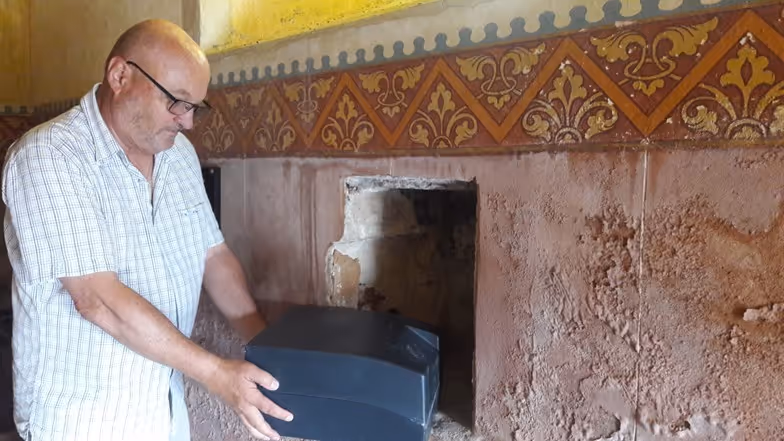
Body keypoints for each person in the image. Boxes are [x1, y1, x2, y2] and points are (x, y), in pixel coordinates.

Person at [2, 19, 293, 441]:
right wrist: (215, 373)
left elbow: (212, 255)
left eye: (195, 107)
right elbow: (97, 299)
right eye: (176, 101)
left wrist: (267, 349)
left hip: (162, 402)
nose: (188, 122)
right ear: (120, 75)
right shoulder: (49, 157)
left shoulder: (179, 156)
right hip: (83, 419)